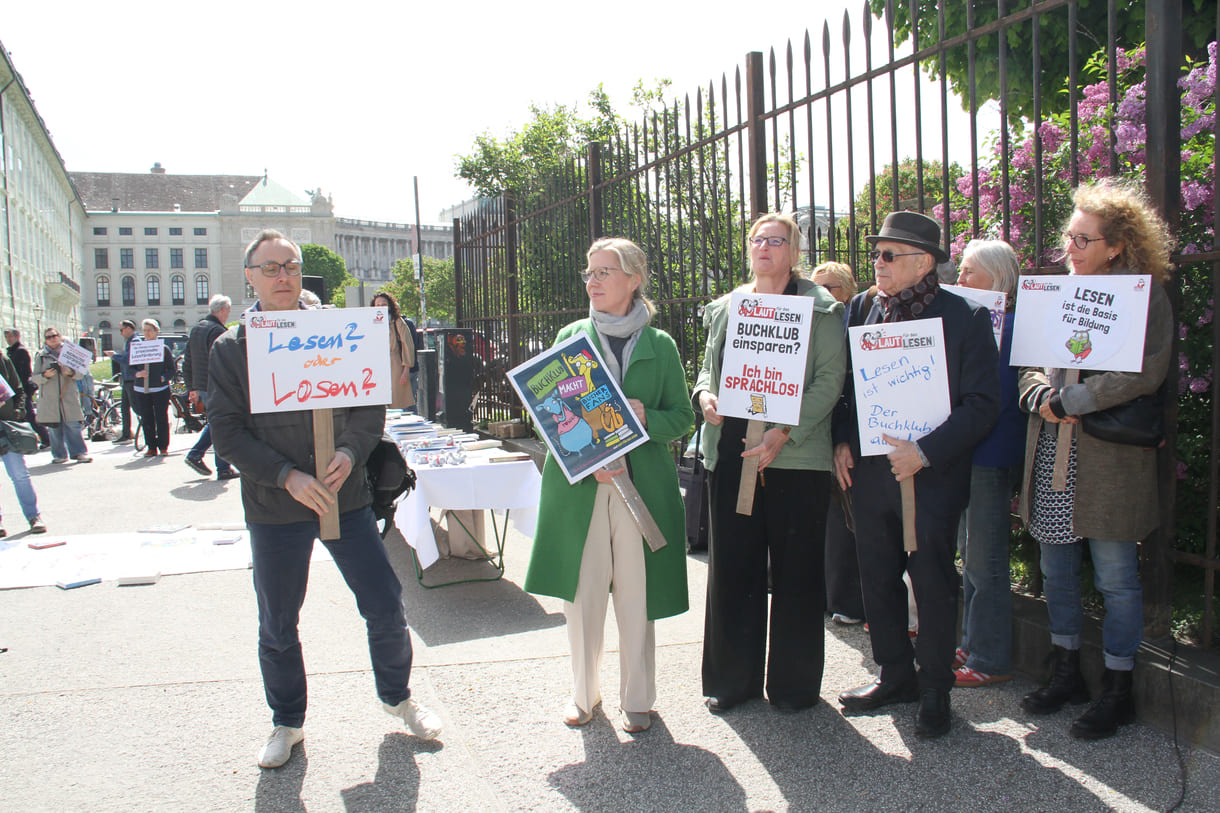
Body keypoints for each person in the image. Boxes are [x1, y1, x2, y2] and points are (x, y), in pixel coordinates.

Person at [208, 228, 440, 770]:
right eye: (270, 268)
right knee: (278, 622)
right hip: (276, 506)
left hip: (345, 498)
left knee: (384, 603)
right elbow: (227, 432)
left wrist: (351, 452)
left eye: (289, 265)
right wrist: (286, 476)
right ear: (250, 276)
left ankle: (398, 698)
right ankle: (286, 722)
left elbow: (368, 410)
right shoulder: (232, 347)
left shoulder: (339, 330)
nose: (282, 275)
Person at [832, 211, 998, 738]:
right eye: (875, 253)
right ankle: (894, 675)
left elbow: (981, 404)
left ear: (924, 262)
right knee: (876, 576)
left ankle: (934, 690)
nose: (876, 263)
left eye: (888, 254)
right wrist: (840, 438)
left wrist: (924, 452)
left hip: (931, 473)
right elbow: (845, 387)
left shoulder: (964, 317)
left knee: (931, 579)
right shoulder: (860, 309)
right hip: (871, 471)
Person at [1017, 179, 1173, 740]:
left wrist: (1072, 400)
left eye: (1086, 239)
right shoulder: (1052, 294)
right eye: (1069, 236)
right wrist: (1039, 394)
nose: (1072, 247)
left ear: (1116, 246)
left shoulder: (1143, 297)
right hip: (1053, 452)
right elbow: (1030, 362)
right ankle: (1066, 673)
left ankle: (1118, 687)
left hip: (1107, 463)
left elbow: (1144, 370)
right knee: (1056, 572)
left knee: (1115, 579)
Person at [525, 237, 693, 733]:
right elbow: (542, 413)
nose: (592, 281)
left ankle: (637, 698)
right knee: (582, 594)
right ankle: (584, 695)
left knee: (638, 596)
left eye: (604, 272)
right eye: (589, 271)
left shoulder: (660, 346)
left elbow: (682, 417)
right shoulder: (570, 336)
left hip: (640, 485)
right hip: (582, 485)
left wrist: (649, 418)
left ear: (633, 280)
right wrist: (582, 457)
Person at [695, 213, 846, 714]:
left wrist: (788, 430)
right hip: (732, 448)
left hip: (796, 457)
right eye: (758, 240)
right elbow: (706, 368)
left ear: (794, 251)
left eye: (776, 241)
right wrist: (705, 395)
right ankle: (731, 682)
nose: (764, 248)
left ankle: (794, 686)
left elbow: (829, 380)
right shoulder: (727, 309)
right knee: (733, 568)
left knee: (797, 572)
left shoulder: (820, 310)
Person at [952, 239, 1025, 688]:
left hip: (989, 454)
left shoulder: (1009, 328)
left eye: (968, 272)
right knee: (969, 553)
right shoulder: (974, 323)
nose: (959, 280)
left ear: (997, 279)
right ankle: (972, 641)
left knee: (985, 559)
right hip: (966, 453)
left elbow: (991, 400)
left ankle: (990, 657)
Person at [812, 261, 866, 626]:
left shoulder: (857, 325)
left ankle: (849, 600)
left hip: (849, 434)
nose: (824, 295)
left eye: (831, 287)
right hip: (814, 435)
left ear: (847, 292)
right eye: (817, 287)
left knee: (850, 518)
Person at [183, 296, 237, 480]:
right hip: (216, 384)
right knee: (220, 422)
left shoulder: (198, 328)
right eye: (228, 311)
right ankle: (200, 456)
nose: (228, 315)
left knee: (217, 422)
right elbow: (223, 361)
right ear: (222, 310)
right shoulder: (218, 331)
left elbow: (187, 360)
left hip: (202, 384)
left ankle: (221, 465)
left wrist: (192, 386)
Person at [0, 351, 46, 535]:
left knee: (19, 474)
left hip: (7, 426)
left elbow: (18, 389)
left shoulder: (2, 360)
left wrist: (17, 413)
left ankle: (33, 516)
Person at [32, 328, 93, 464]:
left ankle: (79, 453)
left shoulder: (70, 352)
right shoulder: (41, 356)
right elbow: (34, 377)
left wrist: (69, 372)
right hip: (50, 398)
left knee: (73, 425)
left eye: (54, 335)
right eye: (48, 337)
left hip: (68, 395)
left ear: (59, 336)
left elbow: (80, 374)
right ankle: (59, 455)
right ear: (45, 340)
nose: (52, 338)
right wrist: (44, 376)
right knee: (54, 428)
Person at [132, 319, 177, 458]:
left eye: (149, 330)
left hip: (160, 389)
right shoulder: (137, 347)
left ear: (156, 331)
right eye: (144, 330)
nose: (147, 333)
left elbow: (172, 369)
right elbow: (130, 368)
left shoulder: (163, 349)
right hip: (142, 389)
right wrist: (137, 373)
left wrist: (163, 378)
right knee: (146, 418)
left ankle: (163, 446)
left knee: (161, 417)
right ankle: (151, 447)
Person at [370, 291, 416, 411]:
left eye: (383, 304)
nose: (380, 308)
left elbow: (408, 345)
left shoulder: (397, 322)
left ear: (389, 305)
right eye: (377, 305)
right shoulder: (370, 323)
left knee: (399, 402)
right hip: (377, 365)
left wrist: (406, 370)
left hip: (395, 363)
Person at [5, 329, 49, 449]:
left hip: (22, 389)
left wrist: (22, 390)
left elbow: (24, 373)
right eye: (7, 337)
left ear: (17, 337)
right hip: (15, 389)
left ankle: (46, 438)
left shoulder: (20, 351)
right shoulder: (11, 352)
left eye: (10, 337)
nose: (8, 339)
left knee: (29, 415)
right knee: (22, 416)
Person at [105, 320, 138, 442]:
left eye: (121, 330)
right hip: (127, 379)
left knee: (137, 408)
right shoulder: (129, 341)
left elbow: (128, 359)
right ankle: (126, 433)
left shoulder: (134, 341)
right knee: (124, 408)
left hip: (132, 379)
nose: (120, 333)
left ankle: (150, 428)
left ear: (129, 328)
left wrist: (114, 356)